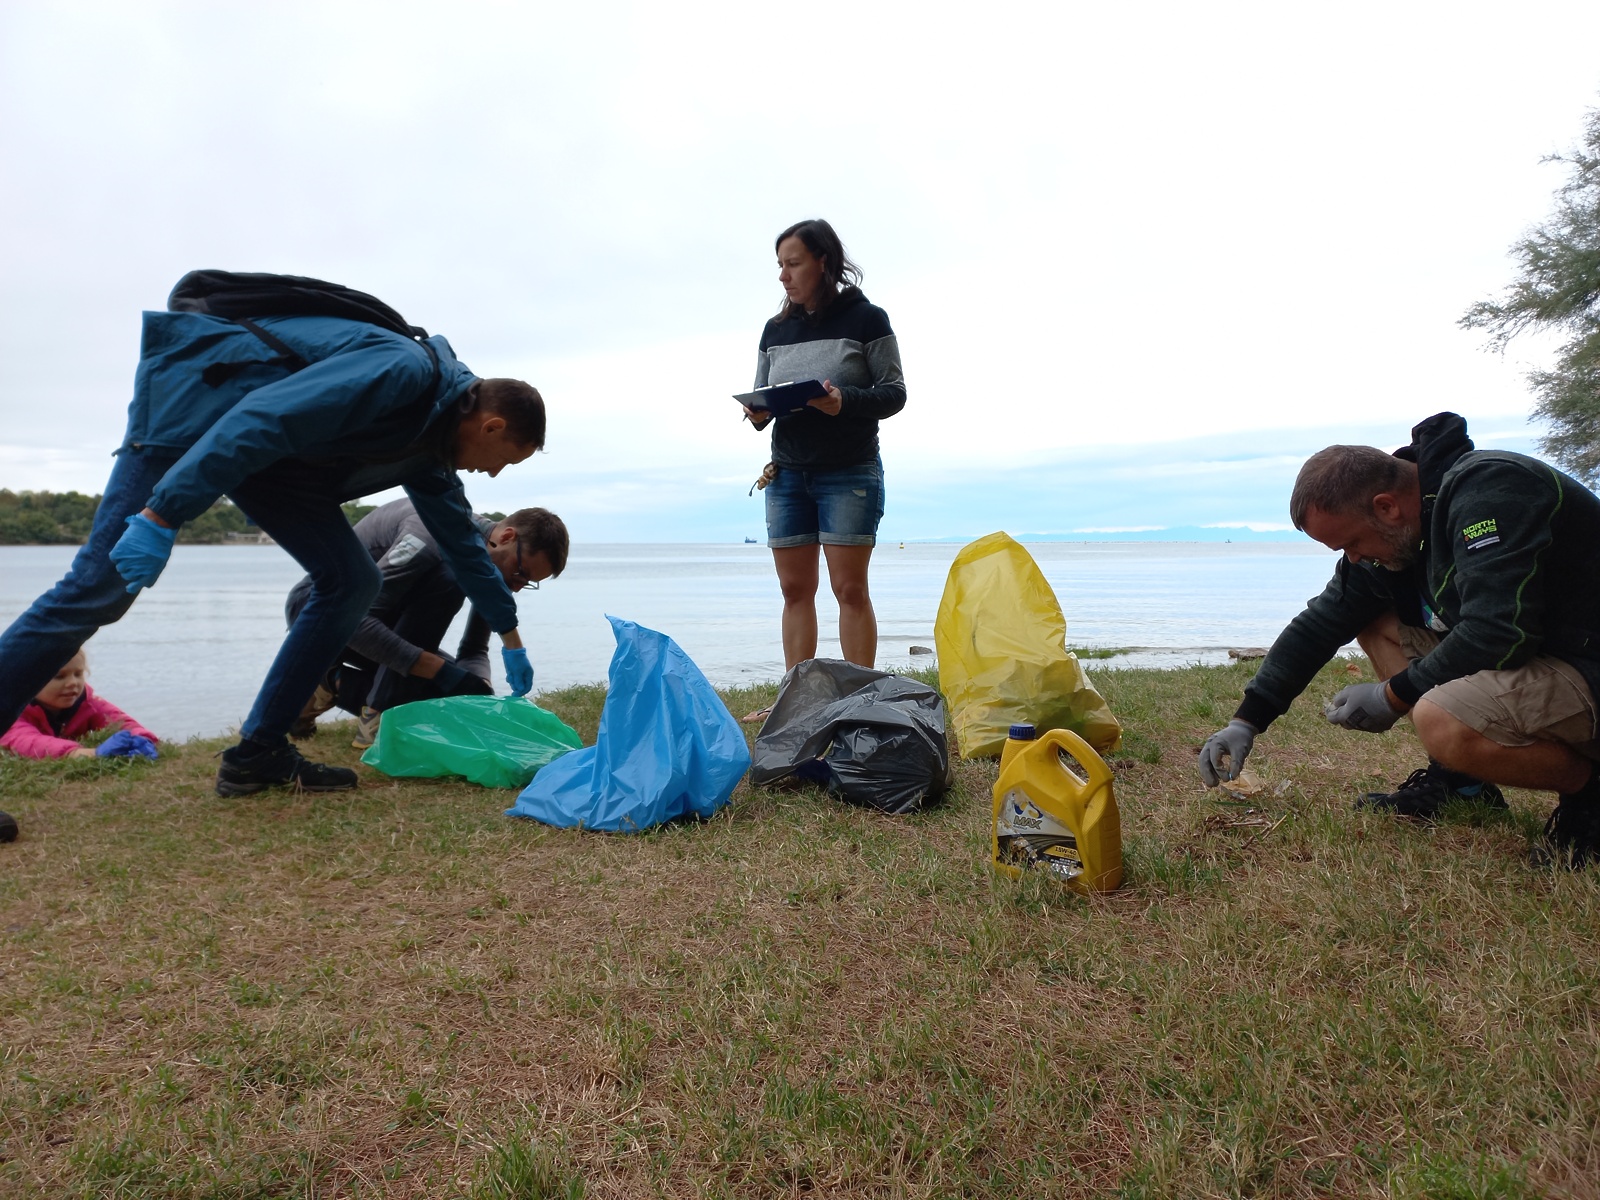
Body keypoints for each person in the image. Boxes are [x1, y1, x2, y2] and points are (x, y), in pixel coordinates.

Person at [0, 282, 546, 797]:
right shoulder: (401, 373)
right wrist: (162, 515)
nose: (496, 475)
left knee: (353, 580)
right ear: (492, 427)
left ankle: (258, 753)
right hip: (197, 406)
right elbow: (261, 418)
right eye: (506, 460)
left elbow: (461, 542)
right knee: (98, 588)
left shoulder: (431, 442)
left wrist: (511, 638)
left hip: (277, 462)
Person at [1197, 412, 1600, 868]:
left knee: (1438, 717)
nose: (1354, 558)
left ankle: (1590, 797)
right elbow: (1320, 624)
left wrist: (1393, 695)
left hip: (1587, 662)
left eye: (1351, 543)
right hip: (1544, 659)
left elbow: (1499, 631)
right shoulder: (1404, 532)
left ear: (1386, 506)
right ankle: (1462, 783)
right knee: (1374, 622)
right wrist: (1247, 721)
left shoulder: (1491, 490)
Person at [741, 219, 905, 719]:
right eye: (780, 266)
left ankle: (858, 701)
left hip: (849, 473)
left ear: (824, 263)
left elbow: (894, 393)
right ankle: (798, 701)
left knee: (849, 590)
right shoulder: (775, 330)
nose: (784, 276)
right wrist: (757, 413)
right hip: (787, 475)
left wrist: (843, 401)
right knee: (795, 591)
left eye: (793, 264)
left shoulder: (867, 319)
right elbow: (762, 397)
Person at [289, 499, 569, 747]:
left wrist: (479, 688)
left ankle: (330, 687)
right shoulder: (430, 538)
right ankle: (369, 710)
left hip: (381, 625)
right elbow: (354, 620)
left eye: (528, 583)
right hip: (320, 615)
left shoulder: (489, 566)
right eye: (521, 573)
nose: (517, 587)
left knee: (449, 693)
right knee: (446, 584)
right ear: (507, 536)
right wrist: (438, 671)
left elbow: (473, 650)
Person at [1, 649, 159, 760]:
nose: (73, 683)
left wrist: (142, 739)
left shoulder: (87, 703)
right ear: (26, 681)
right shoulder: (9, 711)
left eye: (78, 674)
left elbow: (121, 722)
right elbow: (28, 743)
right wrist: (87, 754)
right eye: (59, 676)